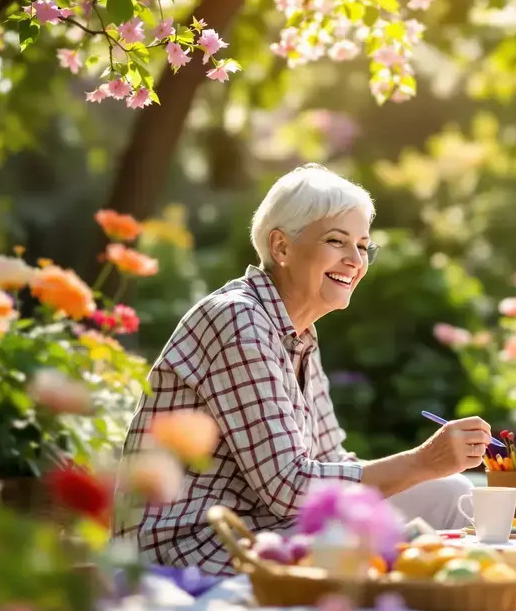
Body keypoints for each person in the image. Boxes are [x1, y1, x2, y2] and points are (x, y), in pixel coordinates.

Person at [112, 164, 489, 575]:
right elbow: (289, 488)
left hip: (266, 528)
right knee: (387, 538)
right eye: (336, 241)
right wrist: (422, 461)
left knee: (453, 492)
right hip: (193, 544)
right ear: (282, 247)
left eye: (363, 246)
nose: (355, 260)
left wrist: (425, 470)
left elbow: (330, 459)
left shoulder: (299, 332)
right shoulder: (237, 318)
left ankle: (467, 598)